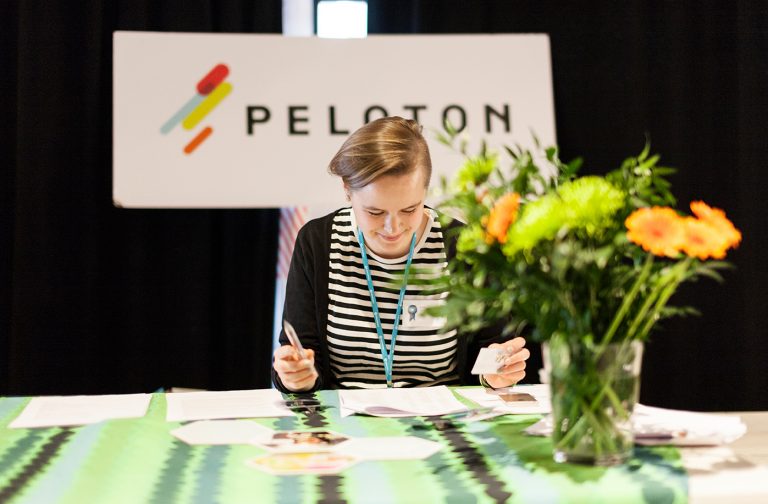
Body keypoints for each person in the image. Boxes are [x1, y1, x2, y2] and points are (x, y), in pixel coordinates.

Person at [272, 116, 530, 393]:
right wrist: (296, 376)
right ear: (347, 190)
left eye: (409, 209)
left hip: (442, 413)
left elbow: (487, 351)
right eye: (375, 212)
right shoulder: (317, 242)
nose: (392, 228)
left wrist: (495, 373)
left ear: (425, 192)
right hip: (345, 415)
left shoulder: (463, 245)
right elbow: (301, 354)